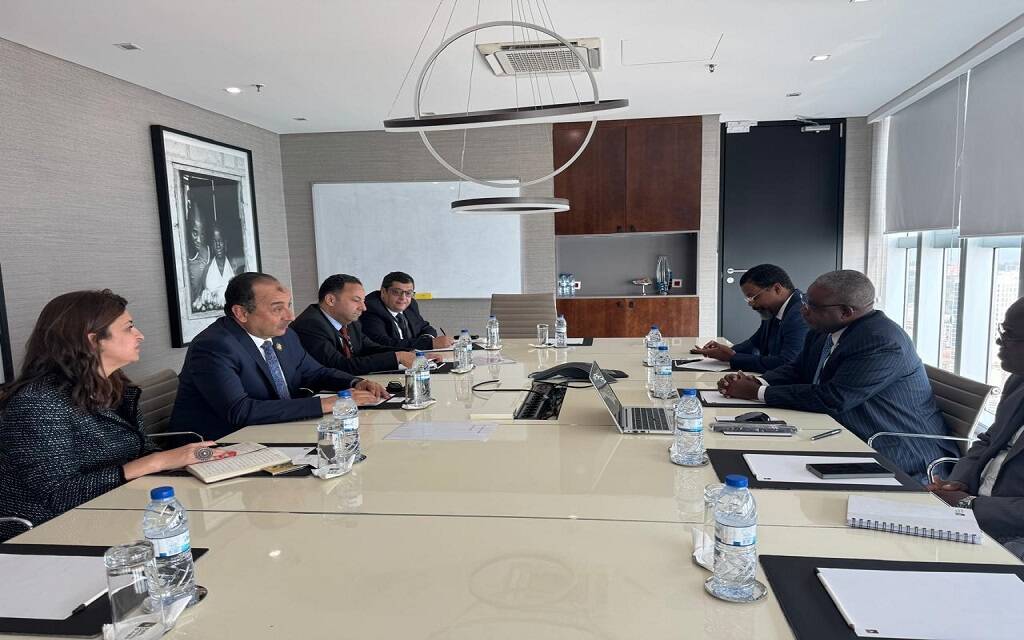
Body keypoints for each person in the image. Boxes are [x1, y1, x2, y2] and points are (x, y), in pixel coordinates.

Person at [0, 290, 232, 541]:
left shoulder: (113, 385)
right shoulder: (38, 402)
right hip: (49, 534)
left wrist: (188, 460)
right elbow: (59, 495)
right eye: (129, 327)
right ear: (93, 340)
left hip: (116, 508)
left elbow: (140, 450)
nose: (139, 335)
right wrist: (157, 461)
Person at [717, 270, 956, 479]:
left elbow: (834, 397)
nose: (803, 310)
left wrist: (758, 393)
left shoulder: (881, 342)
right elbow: (798, 369)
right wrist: (756, 381)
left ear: (845, 312)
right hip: (842, 431)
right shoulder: (824, 329)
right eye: (805, 301)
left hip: (896, 450)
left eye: (812, 306)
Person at [170, 272, 388, 440]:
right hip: (220, 444)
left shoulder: (284, 336)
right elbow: (240, 411)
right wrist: (329, 403)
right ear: (241, 313)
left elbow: (316, 372)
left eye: (289, 306)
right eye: (277, 309)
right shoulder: (214, 346)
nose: (290, 316)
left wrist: (355, 383)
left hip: (274, 431)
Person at [928, 297, 1024, 559]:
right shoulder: (1018, 381)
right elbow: (989, 440)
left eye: (1009, 334)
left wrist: (969, 505)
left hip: (1011, 534)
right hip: (969, 510)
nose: (999, 342)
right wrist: (959, 482)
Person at [292, 274, 438, 375]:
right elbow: (340, 366)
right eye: (356, 300)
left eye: (363, 301)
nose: (364, 308)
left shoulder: (350, 321)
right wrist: (396, 357)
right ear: (331, 300)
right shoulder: (311, 325)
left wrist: (413, 353)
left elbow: (370, 348)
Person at [691, 264, 808, 372]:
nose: (752, 304)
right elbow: (754, 342)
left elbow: (787, 363)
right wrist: (724, 351)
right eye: (748, 299)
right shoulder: (773, 310)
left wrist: (732, 357)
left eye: (754, 297)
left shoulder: (799, 314)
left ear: (777, 289)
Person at [360, 272, 455, 350]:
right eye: (396, 292)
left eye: (408, 293)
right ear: (383, 292)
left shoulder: (411, 305)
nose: (403, 298)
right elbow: (383, 343)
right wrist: (429, 344)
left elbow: (425, 327)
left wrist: (427, 339)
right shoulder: (371, 308)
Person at [203, 225, 236, 308]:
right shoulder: (207, 269)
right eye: (214, 241)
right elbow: (203, 295)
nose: (218, 245)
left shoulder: (234, 266)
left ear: (225, 243)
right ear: (211, 245)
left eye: (220, 241)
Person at [186, 209, 211, 309]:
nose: (199, 240)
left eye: (202, 234)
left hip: (202, 306)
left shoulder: (207, 252)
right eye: (195, 233)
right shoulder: (182, 256)